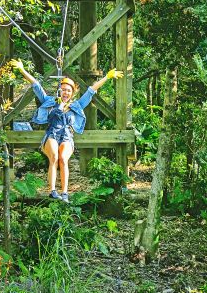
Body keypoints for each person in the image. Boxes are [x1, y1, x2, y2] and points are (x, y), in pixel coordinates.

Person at [10, 59, 123, 203]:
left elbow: (91, 91)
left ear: (72, 93)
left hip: (67, 135)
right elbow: (36, 86)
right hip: (52, 133)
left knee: (63, 159)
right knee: (54, 157)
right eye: (63, 89)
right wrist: (22, 70)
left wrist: (107, 77)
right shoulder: (50, 101)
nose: (65, 92)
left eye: (68, 90)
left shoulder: (76, 105)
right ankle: (52, 191)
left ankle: (64, 193)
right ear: (59, 90)